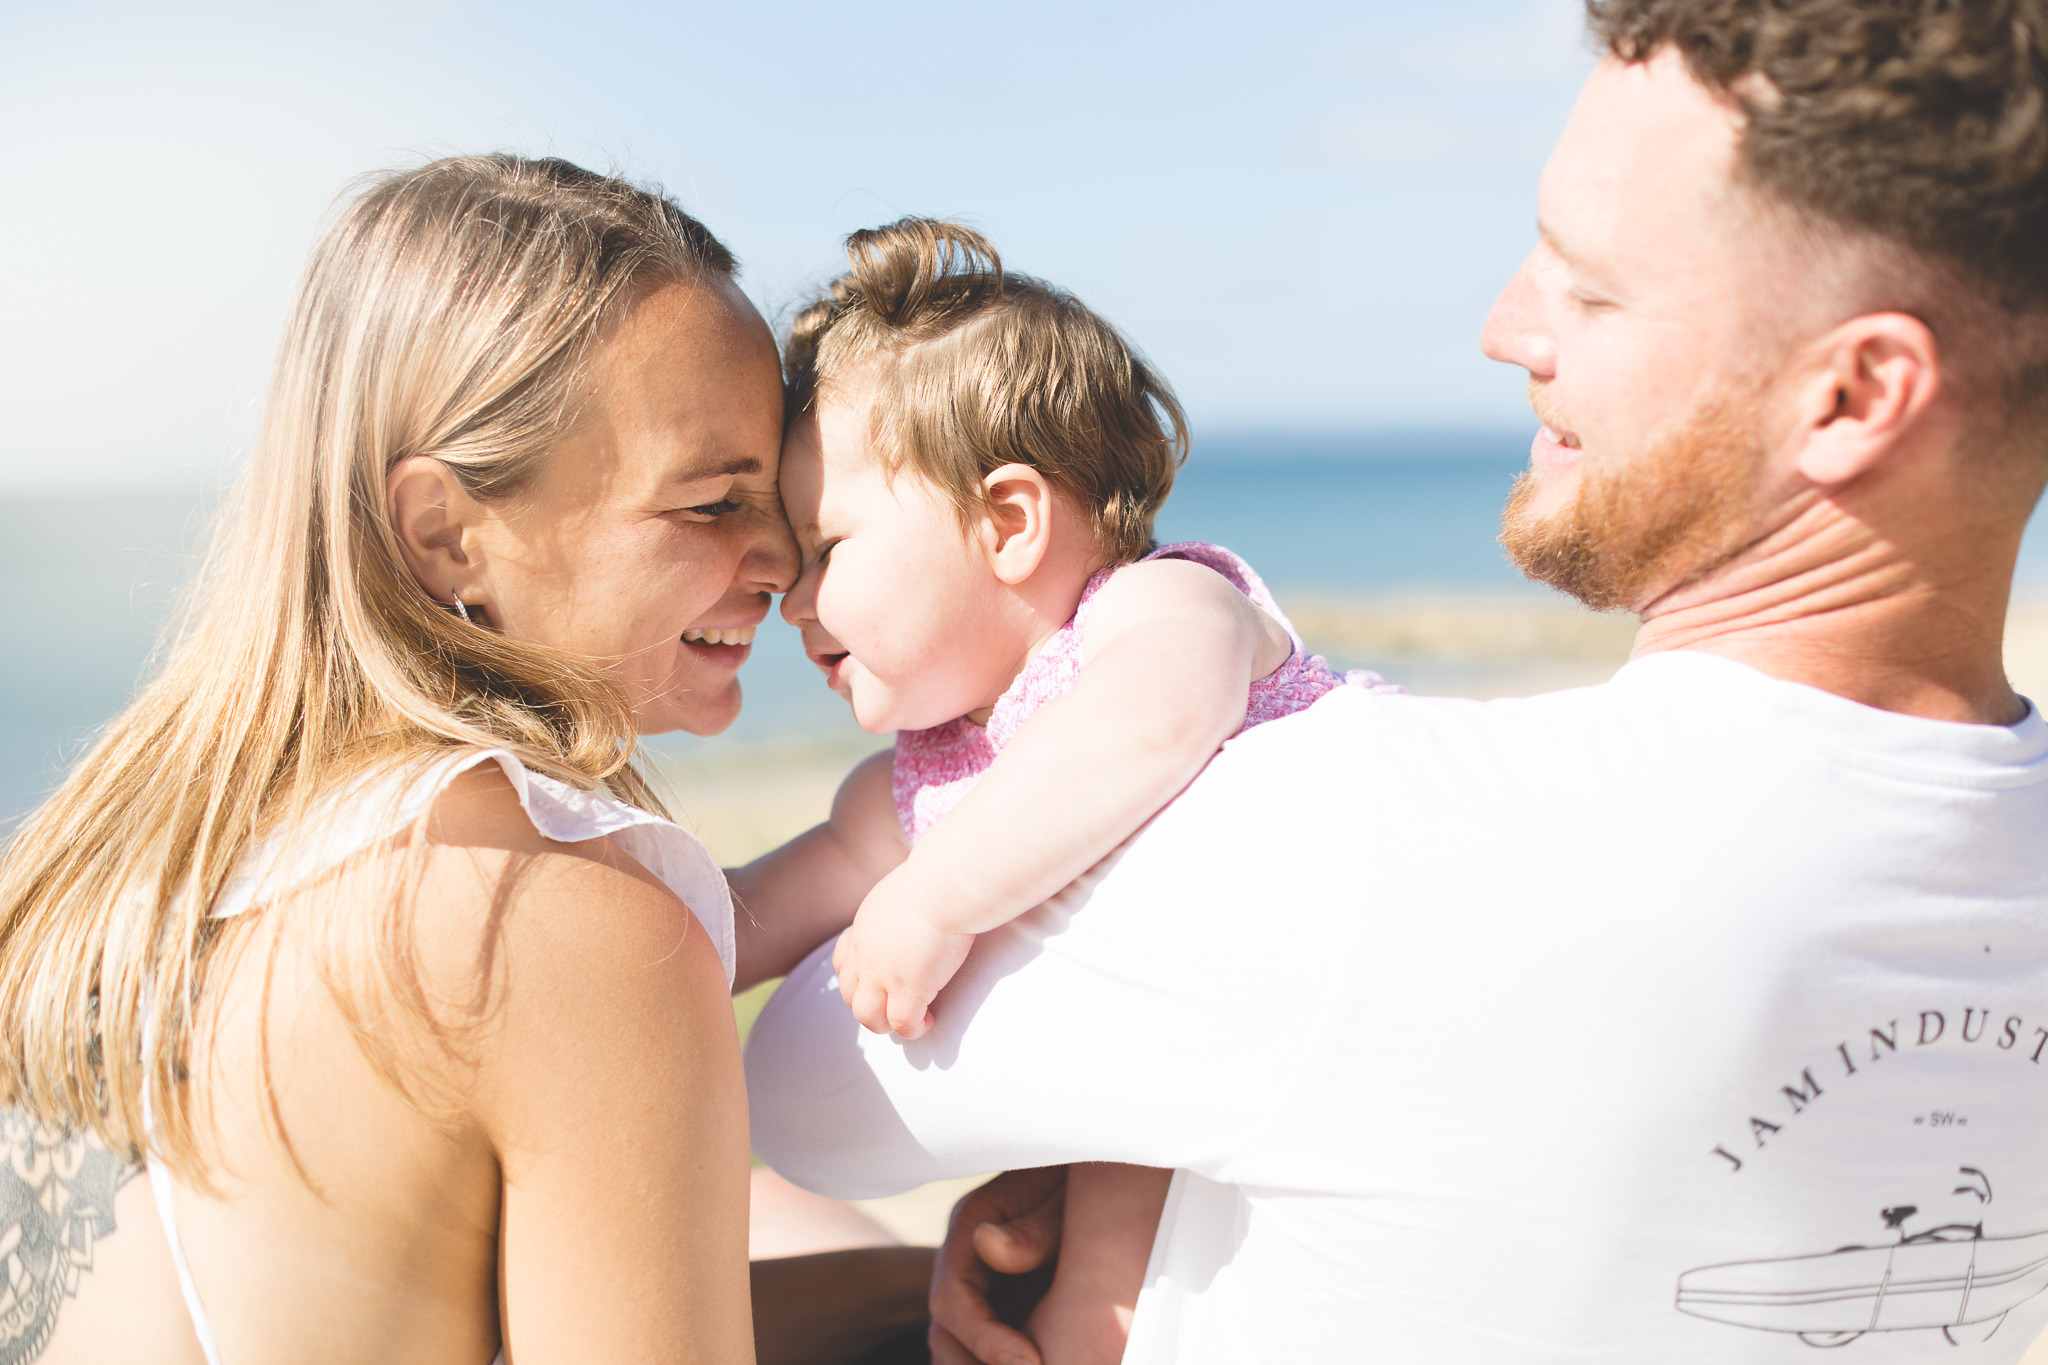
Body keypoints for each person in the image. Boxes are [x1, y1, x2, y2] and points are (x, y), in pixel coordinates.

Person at [743, 0, 2048, 1360]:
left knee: (754, 1217)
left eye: (1589, 286)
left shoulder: (1360, 835)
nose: (1507, 327)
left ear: (1853, 396)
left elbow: (807, 1098)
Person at [0, 153, 859, 1365]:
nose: (784, 560)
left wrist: (896, 1287)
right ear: (445, 536)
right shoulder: (560, 915)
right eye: (712, 503)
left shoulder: (127, 871)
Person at [727, 218, 1390, 1362]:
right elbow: (744, 916)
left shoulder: (1160, 611)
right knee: (1055, 1273)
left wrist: (933, 902)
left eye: (826, 549)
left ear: (1009, 521)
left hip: (1348, 1061)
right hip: (1187, 1127)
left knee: (1098, 1294)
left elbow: (1150, 723)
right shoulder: (921, 782)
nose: (791, 598)